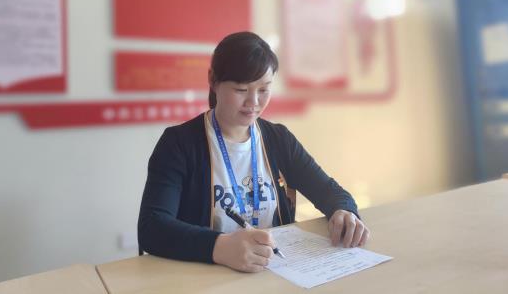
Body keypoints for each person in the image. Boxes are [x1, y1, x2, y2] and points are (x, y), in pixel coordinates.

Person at [138, 31, 369, 273]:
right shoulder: (179, 144)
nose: (253, 102)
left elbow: (329, 191)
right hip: (206, 278)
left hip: (275, 272)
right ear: (213, 81)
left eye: (264, 89)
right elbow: (152, 227)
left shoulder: (278, 139)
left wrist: (344, 210)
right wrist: (219, 246)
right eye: (241, 90)